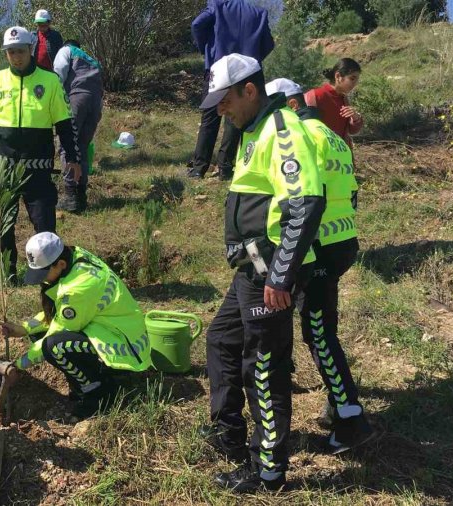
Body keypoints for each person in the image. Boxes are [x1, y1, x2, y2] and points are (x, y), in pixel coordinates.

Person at [199, 54, 325, 492]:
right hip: (250, 270)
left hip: (270, 275)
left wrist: (279, 277)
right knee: (221, 340)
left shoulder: (283, 131)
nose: (220, 110)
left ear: (249, 90)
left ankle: (266, 470)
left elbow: (306, 204)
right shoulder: (251, 131)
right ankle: (228, 430)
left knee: (264, 368)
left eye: (225, 99)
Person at [266, 78, 375, 453]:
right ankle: (339, 403)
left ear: (292, 105)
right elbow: (352, 191)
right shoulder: (330, 136)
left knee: (319, 332)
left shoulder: (300, 137)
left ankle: (350, 417)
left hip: (321, 249)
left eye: (276, 109)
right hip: (343, 241)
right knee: (321, 326)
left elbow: (303, 198)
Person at [0, 26, 80, 281]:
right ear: (6, 54)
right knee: (4, 225)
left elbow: (64, 124)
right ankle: (7, 275)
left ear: (30, 50)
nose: (16, 57)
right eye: (11, 52)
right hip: (2, 168)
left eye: (21, 51)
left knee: (44, 223)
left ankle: (50, 275)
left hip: (38, 168)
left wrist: (74, 158)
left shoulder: (50, 80)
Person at [0, 232, 152, 417]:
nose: (41, 280)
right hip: (105, 326)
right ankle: (83, 381)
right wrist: (25, 328)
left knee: (53, 347)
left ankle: (99, 394)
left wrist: (19, 364)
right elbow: (58, 312)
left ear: (60, 264)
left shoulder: (79, 289)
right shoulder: (74, 256)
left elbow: (58, 329)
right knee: (41, 337)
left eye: (43, 273)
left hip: (125, 344)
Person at [188, 0, 274, 180]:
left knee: (210, 119)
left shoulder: (217, 5)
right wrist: (253, 61)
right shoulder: (259, 13)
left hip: (219, 69)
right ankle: (226, 169)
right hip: (246, 73)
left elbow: (197, 24)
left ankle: (198, 168)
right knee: (237, 120)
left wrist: (207, 51)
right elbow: (269, 44)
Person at [53, 39, 103, 213]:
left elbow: (58, 72)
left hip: (77, 98)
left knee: (68, 145)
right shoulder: (91, 59)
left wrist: (54, 100)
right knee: (81, 147)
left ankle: (70, 196)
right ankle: (81, 196)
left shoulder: (66, 50)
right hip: (96, 103)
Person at [305, 58, 364, 149]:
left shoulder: (344, 98)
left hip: (342, 158)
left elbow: (351, 131)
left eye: (357, 80)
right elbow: (304, 130)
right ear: (338, 76)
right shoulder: (315, 96)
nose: (355, 84)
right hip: (322, 156)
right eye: (352, 78)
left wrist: (355, 118)